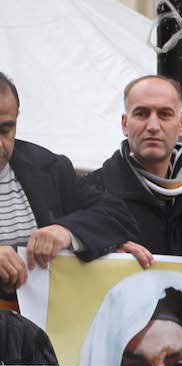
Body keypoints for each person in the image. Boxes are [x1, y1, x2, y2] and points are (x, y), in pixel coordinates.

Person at [0, 71, 138, 307]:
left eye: (5, 130)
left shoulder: (49, 168)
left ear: (17, 117)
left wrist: (67, 232)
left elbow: (117, 215)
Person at [81, 75, 182, 260]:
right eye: (141, 113)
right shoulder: (89, 193)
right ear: (125, 124)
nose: (153, 126)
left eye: (165, 114)